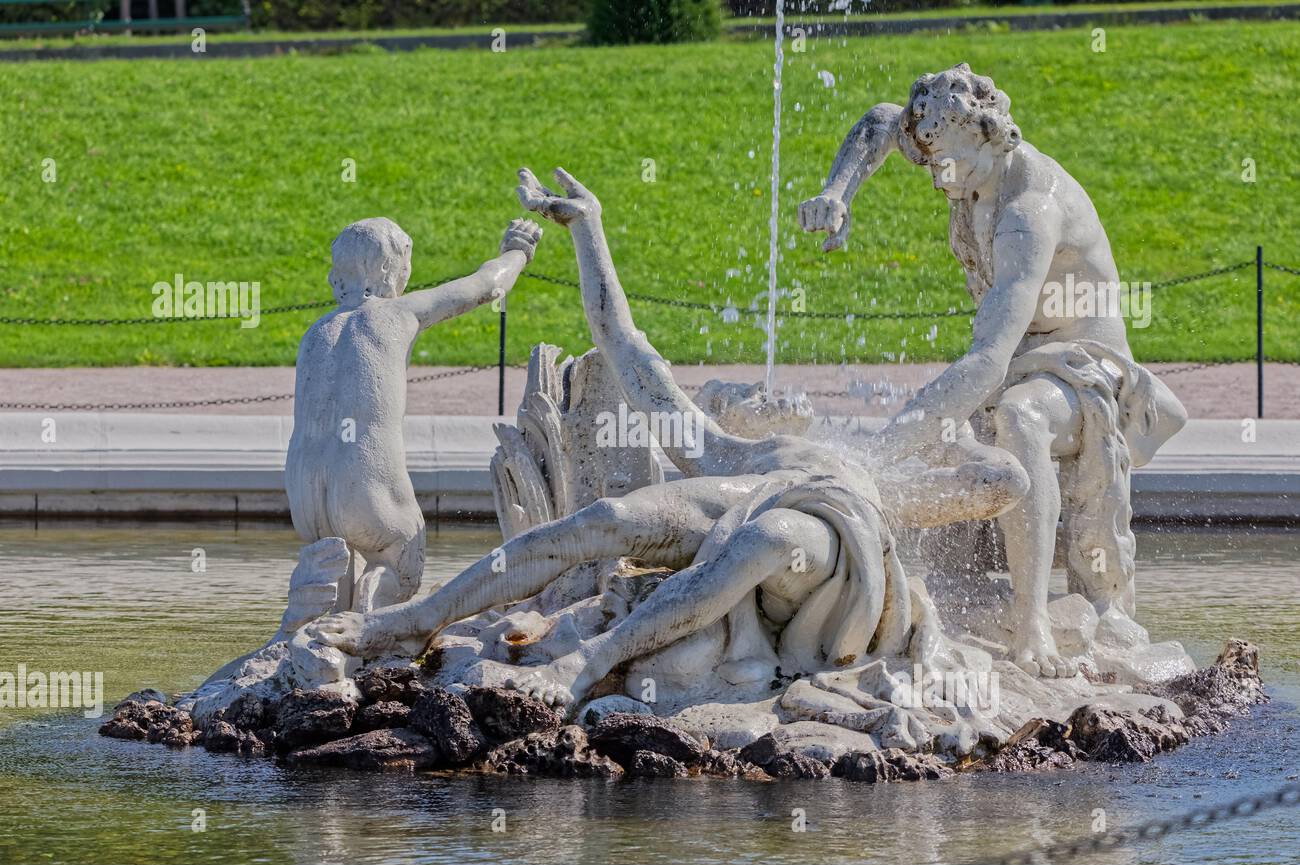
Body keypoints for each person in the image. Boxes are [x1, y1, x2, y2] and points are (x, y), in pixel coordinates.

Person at [307, 170, 1027, 710]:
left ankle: (584, 667)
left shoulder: (880, 454)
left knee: (770, 539)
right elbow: (623, 344)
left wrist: (969, 444)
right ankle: (412, 621)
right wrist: (589, 228)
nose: (770, 399)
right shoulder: (722, 452)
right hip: (749, 498)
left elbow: (1004, 484)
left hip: (830, 524)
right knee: (607, 520)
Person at [799, 64, 1187, 676]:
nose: (942, 181)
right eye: (933, 168)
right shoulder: (952, 146)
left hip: (1083, 367)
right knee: (946, 426)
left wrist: (881, 451)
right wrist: (837, 193)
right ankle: (917, 605)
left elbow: (987, 360)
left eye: (952, 167)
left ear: (990, 136)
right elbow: (880, 122)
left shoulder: (1029, 211)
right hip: (1016, 358)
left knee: (1017, 416)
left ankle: (1034, 622)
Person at [286, 214, 541, 613]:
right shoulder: (396, 314)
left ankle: (321, 616)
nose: (409, 273)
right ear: (389, 269)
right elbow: (484, 287)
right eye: (406, 264)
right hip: (367, 495)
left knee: (336, 560)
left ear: (337, 276)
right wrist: (517, 251)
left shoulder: (316, 333)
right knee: (402, 557)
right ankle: (370, 628)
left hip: (304, 498)